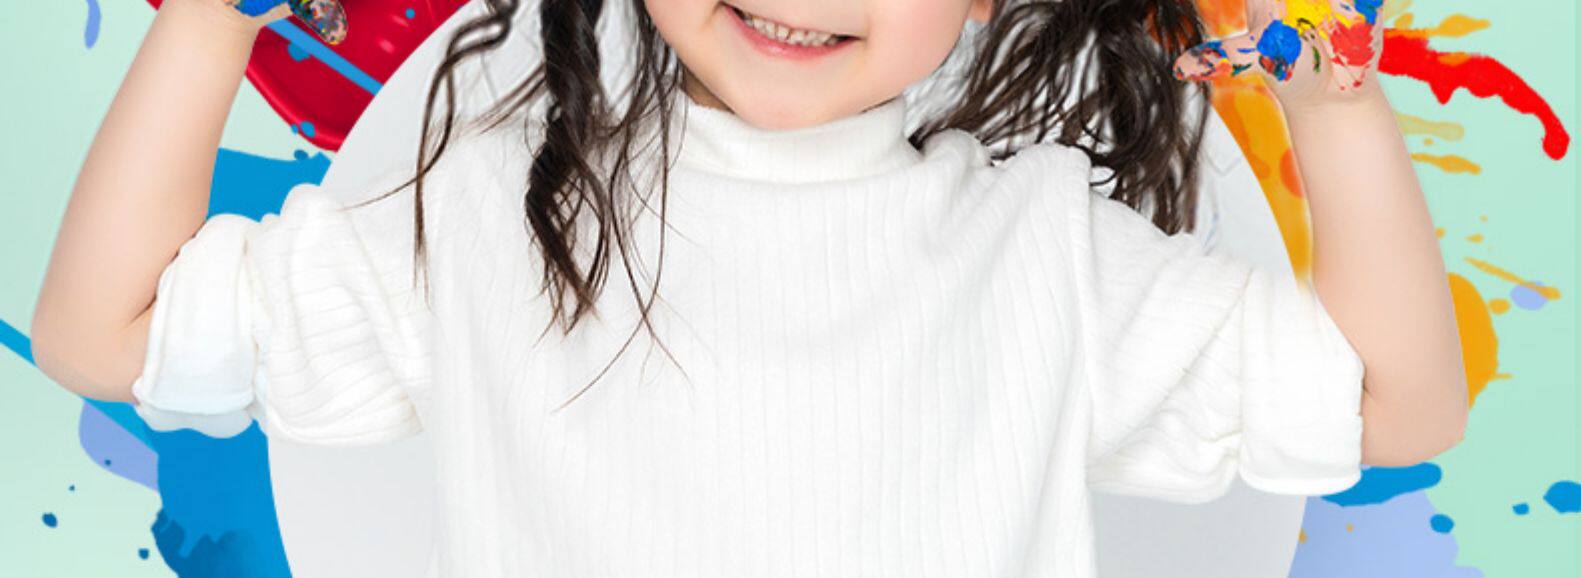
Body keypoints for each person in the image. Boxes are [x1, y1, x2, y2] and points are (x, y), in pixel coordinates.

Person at [33, 0, 1468, 575]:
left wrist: (1332, 106)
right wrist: (209, 20)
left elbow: (1398, 408)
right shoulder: (489, 209)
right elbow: (106, 333)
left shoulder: (1045, 249)